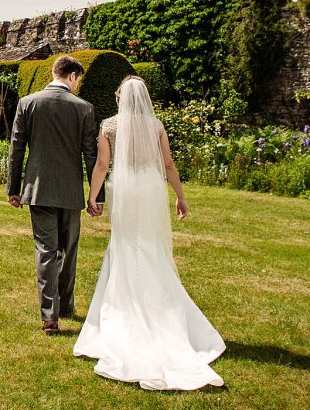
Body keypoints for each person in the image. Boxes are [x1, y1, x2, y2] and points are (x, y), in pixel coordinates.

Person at [72, 75, 225, 390]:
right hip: (151, 189)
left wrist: (93, 195)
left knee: (126, 246)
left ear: (120, 98)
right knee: (151, 248)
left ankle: (127, 312)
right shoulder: (155, 126)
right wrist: (180, 197)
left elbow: (102, 165)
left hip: (125, 189)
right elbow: (168, 165)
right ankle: (161, 311)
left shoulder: (110, 126)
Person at [8, 55, 98, 335]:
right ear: (71, 76)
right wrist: (97, 195)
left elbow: (16, 148)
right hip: (70, 190)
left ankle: (50, 315)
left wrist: (13, 188)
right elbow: (91, 155)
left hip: (38, 189)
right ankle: (66, 305)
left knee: (45, 251)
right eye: (78, 80)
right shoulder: (83, 108)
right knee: (68, 251)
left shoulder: (28, 103)